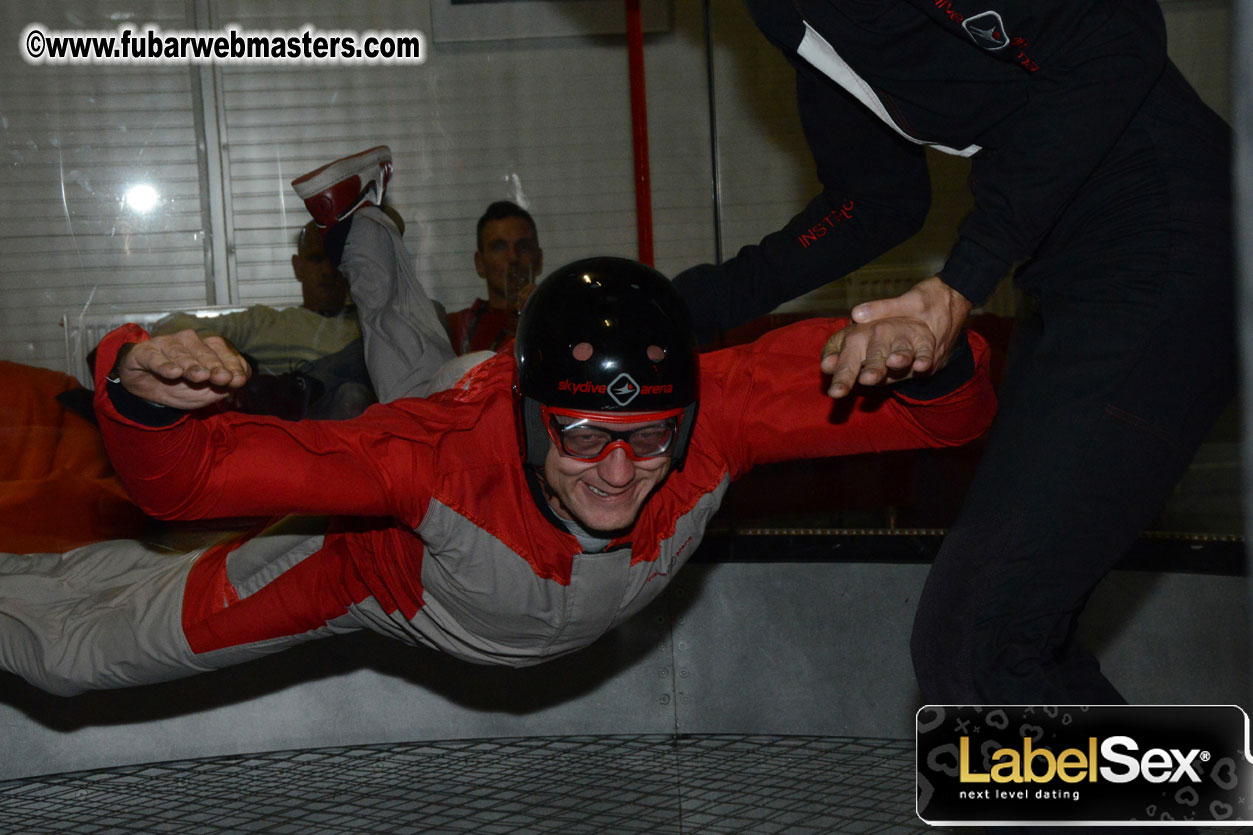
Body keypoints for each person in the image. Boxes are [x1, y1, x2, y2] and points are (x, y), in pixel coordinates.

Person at [0, 147, 995, 696]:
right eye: (583, 438)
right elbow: (185, 485)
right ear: (528, 418)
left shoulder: (715, 408)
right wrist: (134, 384)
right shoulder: (432, 463)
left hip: (468, 406)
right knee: (80, 655)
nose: (619, 474)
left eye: (650, 439)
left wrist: (936, 350)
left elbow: (948, 421)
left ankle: (365, 221)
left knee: (413, 366)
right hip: (381, 567)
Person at [671, 0, 1235, 719]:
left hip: (1166, 242)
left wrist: (963, 280)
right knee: (1013, 643)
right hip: (1075, 274)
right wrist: (678, 311)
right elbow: (875, 200)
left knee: (978, 643)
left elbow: (1119, 35)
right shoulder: (786, 12)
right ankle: (1199, 787)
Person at [153, 221, 375, 420]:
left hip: (352, 423)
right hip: (307, 422)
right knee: (355, 384)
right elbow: (170, 323)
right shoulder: (267, 322)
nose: (327, 271)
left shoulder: (371, 324)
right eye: (316, 259)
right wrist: (219, 348)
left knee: (355, 387)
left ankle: (307, 385)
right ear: (298, 267)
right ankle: (305, 387)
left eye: (335, 261)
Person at [445, 201, 543, 355]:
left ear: (539, 260)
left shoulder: (558, 321)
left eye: (523, 247)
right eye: (499, 247)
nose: (513, 257)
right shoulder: (456, 328)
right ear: (480, 263)